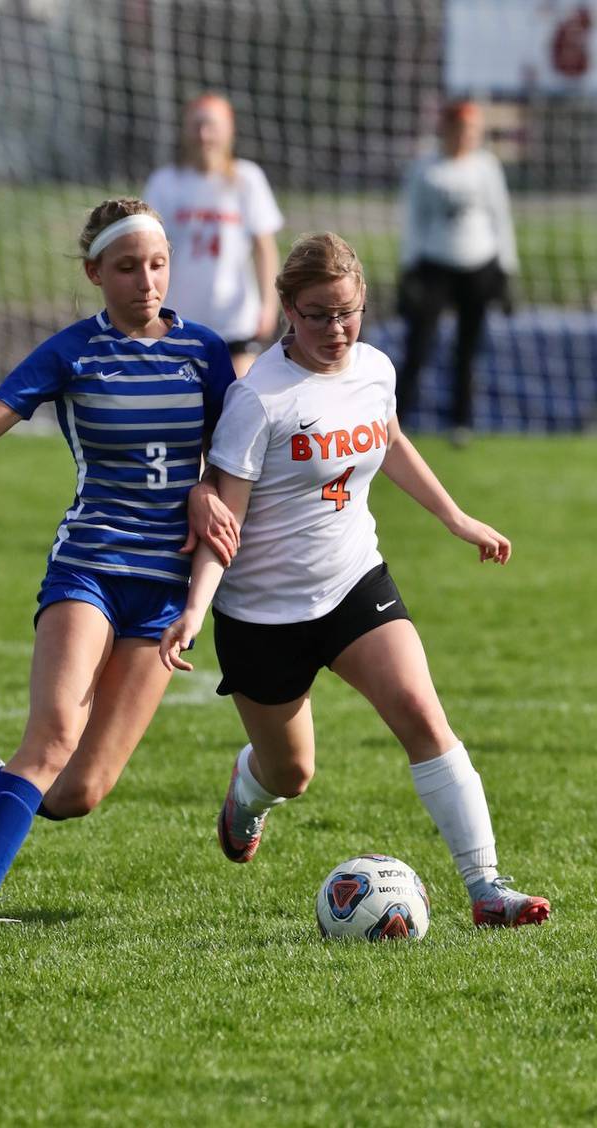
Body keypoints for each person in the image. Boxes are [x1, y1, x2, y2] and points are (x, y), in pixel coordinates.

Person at [160, 232, 550, 930]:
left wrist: (456, 518)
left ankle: (488, 889)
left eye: (348, 312)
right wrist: (196, 610)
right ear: (286, 308)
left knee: (424, 717)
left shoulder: (372, 367)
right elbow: (226, 527)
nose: (336, 330)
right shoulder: (258, 401)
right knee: (292, 775)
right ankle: (247, 793)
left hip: (353, 583)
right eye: (317, 314)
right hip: (263, 616)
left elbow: (390, 437)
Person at [0, 197, 240, 936]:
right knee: (50, 737)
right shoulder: (72, 351)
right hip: (89, 567)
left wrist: (206, 488)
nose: (147, 280)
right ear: (93, 273)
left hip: (166, 593)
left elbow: (234, 461)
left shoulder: (205, 354)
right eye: (126, 267)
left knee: (80, 791)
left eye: (157, 264)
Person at [396, 100, 518, 447]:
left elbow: (500, 217)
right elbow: (413, 222)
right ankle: (397, 421)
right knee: (418, 345)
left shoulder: (487, 167)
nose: (468, 137)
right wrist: (410, 270)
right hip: (435, 265)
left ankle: (461, 422)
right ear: (447, 129)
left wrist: (506, 270)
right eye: (462, 129)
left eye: (474, 131)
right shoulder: (425, 167)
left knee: (467, 347)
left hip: (478, 265)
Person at [143, 92, 284, 379]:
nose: (204, 136)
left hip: (235, 319)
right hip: (179, 317)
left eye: (212, 126)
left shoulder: (247, 179)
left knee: (239, 398)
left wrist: (269, 305)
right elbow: (145, 249)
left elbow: (264, 247)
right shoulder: (165, 183)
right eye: (197, 126)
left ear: (229, 131)